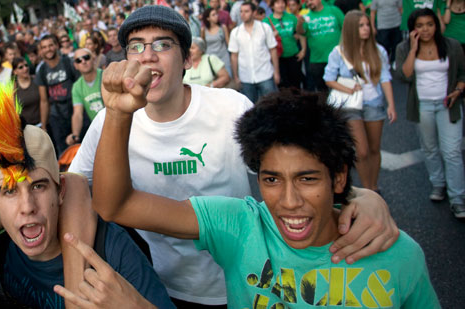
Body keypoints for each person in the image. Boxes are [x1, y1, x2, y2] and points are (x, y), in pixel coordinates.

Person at [69, 5, 399, 308]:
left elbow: (295, 166)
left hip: (251, 280)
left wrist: (361, 196)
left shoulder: (229, 107)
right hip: (162, 286)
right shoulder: (111, 122)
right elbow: (78, 186)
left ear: (187, 59)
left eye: (163, 45)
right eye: (137, 46)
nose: (148, 56)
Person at [90, 78, 438, 307]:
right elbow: (116, 205)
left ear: (339, 178)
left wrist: (368, 196)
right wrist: (119, 113)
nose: (288, 202)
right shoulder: (241, 226)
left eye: (307, 179)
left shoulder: (399, 256)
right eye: (271, 180)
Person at [0, 78, 174, 308]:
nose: (27, 207)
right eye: (9, 191)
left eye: (38, 186)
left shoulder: (112, 253)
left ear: (60, 190)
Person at [395, 8, 465, 218]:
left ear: (436, 25)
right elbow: (403, 75)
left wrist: (458, 90)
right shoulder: (404, 48)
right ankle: (438, 184)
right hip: (422, 105)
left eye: (429, 24)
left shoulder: (451, 46)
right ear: (413, 29)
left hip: (448, 104)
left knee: (452, 151)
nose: (425, 30)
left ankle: (458, 198)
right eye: (420, 26)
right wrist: (413, 48)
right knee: (430, 148)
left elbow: (462, 73)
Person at [324, 10, 397, 192]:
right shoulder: (339, 52)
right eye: (361, 26)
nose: (366, 29)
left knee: (374, 149)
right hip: (351, 105)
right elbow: (329, 78)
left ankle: (374, 185)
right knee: (361, 151)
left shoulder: (378, 50)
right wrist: (348, 88)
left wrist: (391, 104)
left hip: (374, 102)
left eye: (367, 25)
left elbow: (385, 78)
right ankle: (367, 189)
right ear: (350, 29)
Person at [35, 34, 80, 154]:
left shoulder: (68, 62)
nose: (48, 49)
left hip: (74, 109)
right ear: (41, 51)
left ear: (56, 46)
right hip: (56, 116)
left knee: (82, 145)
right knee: (64, 153)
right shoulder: (42, 71)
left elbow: (80, 85)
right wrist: (44, 126)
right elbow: (44, 100)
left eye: (50, 45)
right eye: (44, 47)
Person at [229, 1, 280, 103]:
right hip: (246, 77)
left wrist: (276, 72)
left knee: (270, 105)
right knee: (249, 107)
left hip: (265, 74)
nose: (243, 14)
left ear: (254, 13)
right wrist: (235, 76)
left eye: (246, 11)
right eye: (241, 11)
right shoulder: (236, 32)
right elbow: (234, 56)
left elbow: (273, 51)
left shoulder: (264, 28)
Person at [298, 0, 345, 92]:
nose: (309, 3)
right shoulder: (307, 17)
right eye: (307, 2)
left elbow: (346, 28)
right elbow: (301, 33)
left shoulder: (334, 10)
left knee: (340, 90)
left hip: (337, 58)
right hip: (316, 60)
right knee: (322, 92)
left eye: (311, 0)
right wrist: (299, 23)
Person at [264, 0, 306, 89]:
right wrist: (271, 36)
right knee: (283, 86)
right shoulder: (266, 21)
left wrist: (303, 50)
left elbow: (301, 33)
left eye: (282, 3)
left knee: (296, 84)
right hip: (278, 58)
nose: (281, 5)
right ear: (272, 6)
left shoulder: (292, 18)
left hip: (293, 55)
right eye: (277, 3)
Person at [66, 48, 104, 146]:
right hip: (100, 131)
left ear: (93, 59)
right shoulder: (77, 86)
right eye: (78, 60)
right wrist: (75, 135)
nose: (83, 61)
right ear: (75, 66)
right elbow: (78, 114)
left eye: (86, 57)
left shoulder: (105, 76)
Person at [12, 57, 43, 126]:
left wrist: (44, 125)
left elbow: (44, 101)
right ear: (15, 72)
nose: (25, 68)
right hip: (26, 127)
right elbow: (14, 110)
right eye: (21, 67)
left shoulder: (37, 80)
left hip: (42, 124)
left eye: (26, 65)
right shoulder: (13, 87)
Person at [202, 8, 232, 76]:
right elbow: (203, 45)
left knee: (228, 77)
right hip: (211, 58)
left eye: (216, 14)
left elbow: (228, 42)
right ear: (208, 18)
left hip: (224, 57)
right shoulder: (204, 30)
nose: (216, 16)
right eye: (213, 15)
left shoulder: (223, 27)